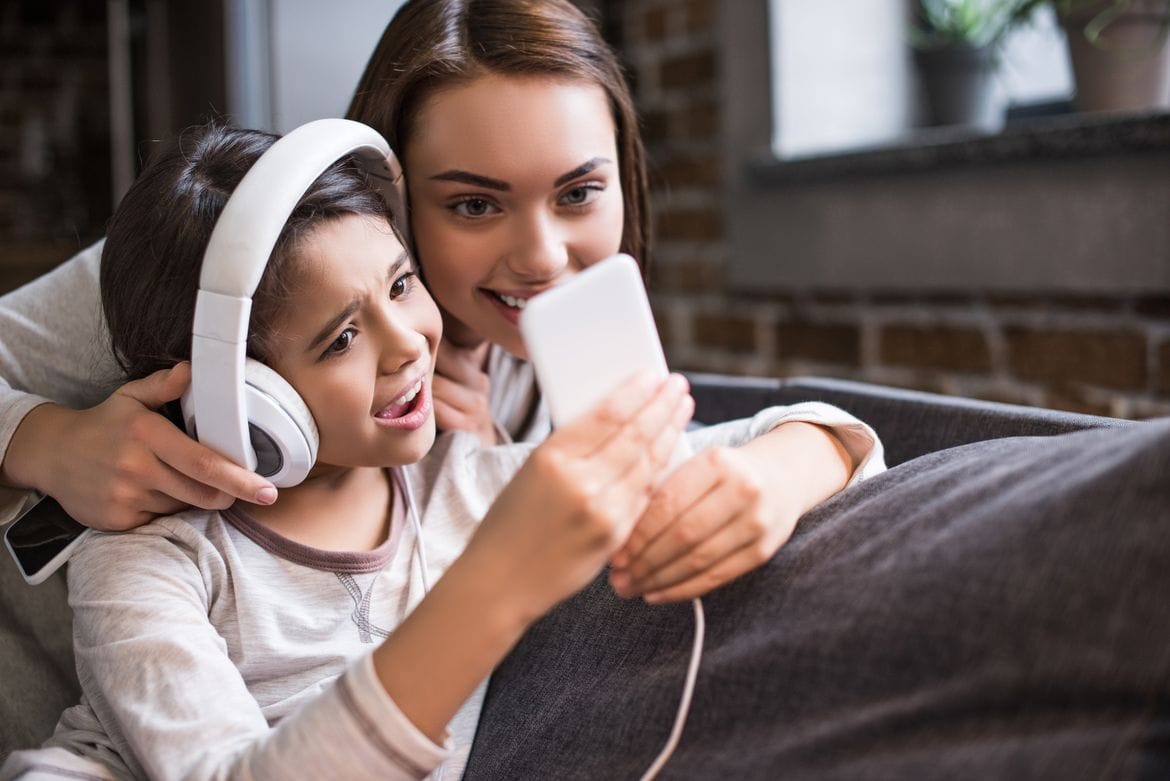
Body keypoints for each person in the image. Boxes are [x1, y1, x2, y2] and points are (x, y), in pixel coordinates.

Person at [0, 122, 880, 780]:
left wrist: (783, 469)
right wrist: (494, 583)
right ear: (241, 403)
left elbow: (824, 435)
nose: (410, 342)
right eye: (343, 337)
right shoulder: (145, 559)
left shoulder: (465, 481)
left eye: (400, 283)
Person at [0, 0, 871, 604]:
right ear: (388, 195)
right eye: (474, 204)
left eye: (578, 194)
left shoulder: (554, 358)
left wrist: (775, 474)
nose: (542, 258)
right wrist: (47, 444)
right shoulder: (220, 265)